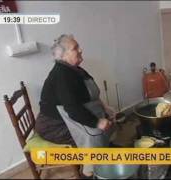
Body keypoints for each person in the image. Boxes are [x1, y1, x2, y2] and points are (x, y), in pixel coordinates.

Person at [35, 34, 117, 178]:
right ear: (63, 55)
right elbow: (72, 110)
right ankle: (89, 172)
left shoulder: (75, 69)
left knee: (105, 124)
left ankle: (104, 155)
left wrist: (105, 107)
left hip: (69, 115)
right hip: (54, 125)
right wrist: (97, 122)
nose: (81, 50)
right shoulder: (62, 75)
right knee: (94, 134)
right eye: (75, 48)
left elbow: (91, 95)